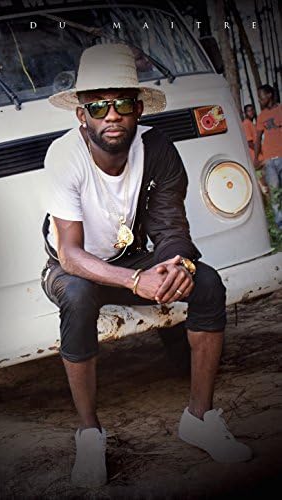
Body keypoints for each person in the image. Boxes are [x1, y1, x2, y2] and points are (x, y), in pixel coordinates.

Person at [40, 43, 252, 488]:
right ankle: (90, 434)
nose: (111, 116)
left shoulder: (157, 147)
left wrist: (177, 265)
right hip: (75, 268)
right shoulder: (64, 156)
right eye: (98, 106)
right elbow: (69, 254)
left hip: (132, 259)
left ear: (138, 108)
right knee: (77, 297)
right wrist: (136, 280)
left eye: (122, 104)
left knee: (207, 283)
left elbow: (170, 224)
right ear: (82, 115)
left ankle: (199, 417)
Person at [254, 84, 282, 229]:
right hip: (269, 160)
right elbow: (258, 138)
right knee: (274, 192)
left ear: (270, 95)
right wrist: (256, 158)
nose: (260, 100)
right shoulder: (261, 117)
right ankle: (280, 225)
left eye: (261, 97)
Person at [242, 104, 268, 196]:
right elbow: (249, 142)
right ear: (245, 113)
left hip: (260, 157)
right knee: (265, 182)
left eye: (252, 110)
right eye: (249, 111)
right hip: (257, 158)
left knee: (265, 180)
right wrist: (259, 152)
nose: (251, 112)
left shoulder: (251, 123)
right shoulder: (246, 124)